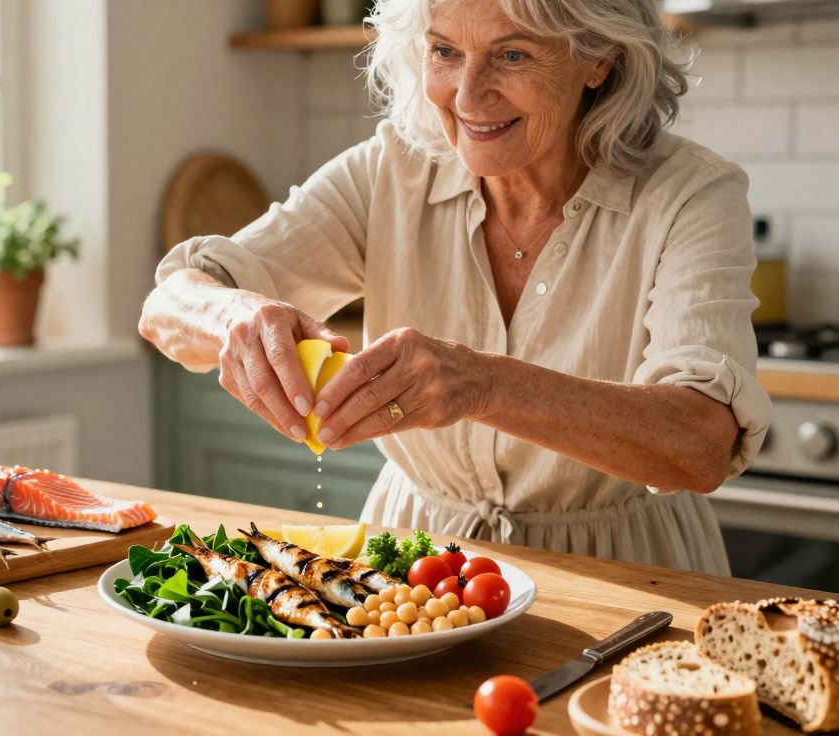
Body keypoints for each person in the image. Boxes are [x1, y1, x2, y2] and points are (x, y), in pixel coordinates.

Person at [139, 0, 772, 575]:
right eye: (444, 52)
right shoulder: (389, 170)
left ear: (600, 58)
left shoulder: (690, 195)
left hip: (627, 573)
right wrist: (235, 315)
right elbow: (169, 303)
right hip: (413, 562)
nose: (467, 95)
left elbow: (701, 444)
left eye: (513, 54)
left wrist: (485, 383)